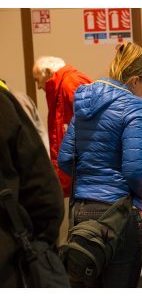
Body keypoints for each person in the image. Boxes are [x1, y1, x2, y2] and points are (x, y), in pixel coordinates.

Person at [58, 42, 142, 287]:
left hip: (82, 212)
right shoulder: (135, 107)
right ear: (135, 80)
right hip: (119, 213)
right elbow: (135, 169)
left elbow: (64, 159)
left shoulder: (85, 101)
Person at [0, 86, 64, 287]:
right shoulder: (5, 103)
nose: (38, 85)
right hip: (9, 260)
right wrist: (40, 244)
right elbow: (43, 190)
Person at [32, 56, 92, 197]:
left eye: (37, 80)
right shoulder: (62, 87)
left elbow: (95, 128)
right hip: (77, 172)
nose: (39, 86)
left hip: (84, 175)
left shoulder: (71, 83)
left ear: (47, 71)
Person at [0, 79, 49, 154]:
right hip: (40, 152)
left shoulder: (16, 100)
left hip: (32, 155)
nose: (38, 87)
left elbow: (27, 136)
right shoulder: (21, 97)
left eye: (37, 80)